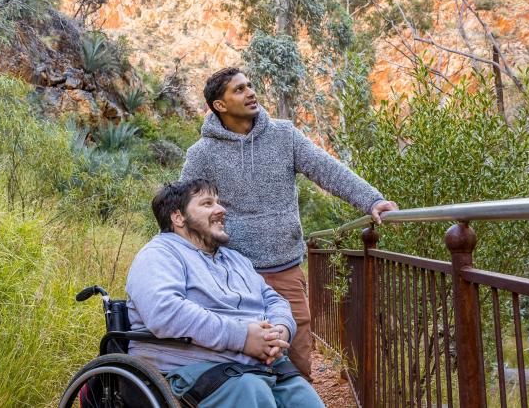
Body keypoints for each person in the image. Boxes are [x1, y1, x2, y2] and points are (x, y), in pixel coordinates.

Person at [180, 66, 398, 379]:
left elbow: (327, 170)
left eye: (250, 86)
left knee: (297, 362)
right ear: (220, 105)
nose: (251, 92)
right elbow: (186, 209)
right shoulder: (202, 153)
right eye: (239, 89)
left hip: (284, 270)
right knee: (243, 363)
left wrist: (372, 200)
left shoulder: (283, 135)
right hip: (230, 275)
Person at [125, 179, 324, 407]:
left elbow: (272, 299)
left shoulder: (235, 259)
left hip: (258, 365)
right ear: (178, 217)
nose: (221, 210)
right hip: (192, 369)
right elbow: (163, 311)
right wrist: (243, 337)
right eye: (207, 204)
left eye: (218, 202)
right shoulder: (159, 254)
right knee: (253, 391)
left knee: (305, 400)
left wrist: (280, 330)